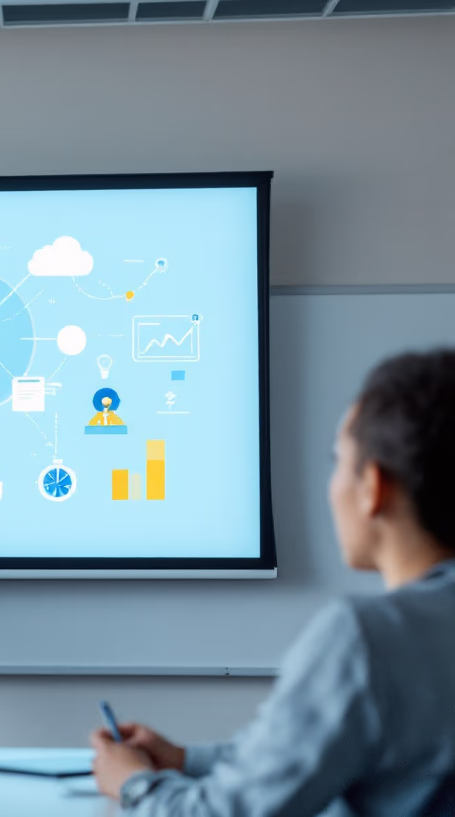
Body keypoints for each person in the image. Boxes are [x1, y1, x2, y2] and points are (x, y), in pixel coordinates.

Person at [91, 349, 455, 816]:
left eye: (337, 461)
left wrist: (134, 783)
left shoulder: (368, 639)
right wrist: (186, 760)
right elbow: (338, 755)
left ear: (373, 487)